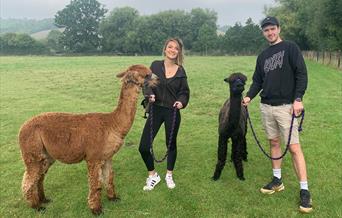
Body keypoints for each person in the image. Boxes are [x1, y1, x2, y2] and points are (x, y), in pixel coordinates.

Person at [243, 16, 312, 213]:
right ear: (263, 33)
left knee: (293, 147)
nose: (270, 33)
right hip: (267, 106)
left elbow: (301, 74)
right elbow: (257, 80)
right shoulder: (263, 56)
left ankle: (304, 190)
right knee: (273, 143)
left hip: (286, 107)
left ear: (279, 29)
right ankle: (277, 179)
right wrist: (248, 97)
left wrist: (298, 99)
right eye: (266, 30)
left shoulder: (291, 48)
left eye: (273, 29)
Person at [139, 38, 190, 191]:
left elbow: (184, 92)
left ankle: (169, 174)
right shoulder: (155, 66)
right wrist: (149, 95)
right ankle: (153, 175)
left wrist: (181, 102)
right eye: (170, 47)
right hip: (156, 110)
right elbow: (147, 84)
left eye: (176, 48)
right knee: (143, 146)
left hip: (172, 112)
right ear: (165, 48)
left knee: (171, 144)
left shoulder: (180, 71)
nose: (172, 50)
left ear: (179, 52)